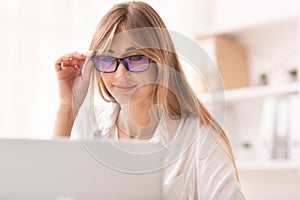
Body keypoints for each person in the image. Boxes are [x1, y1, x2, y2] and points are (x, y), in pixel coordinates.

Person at [53, 1, 245, 199]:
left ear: (160, 61)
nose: (120, 74)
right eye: (108, 59)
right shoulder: (91, 127)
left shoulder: (201, 139)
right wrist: (67, 106)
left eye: (135, 58)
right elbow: (52, 190)